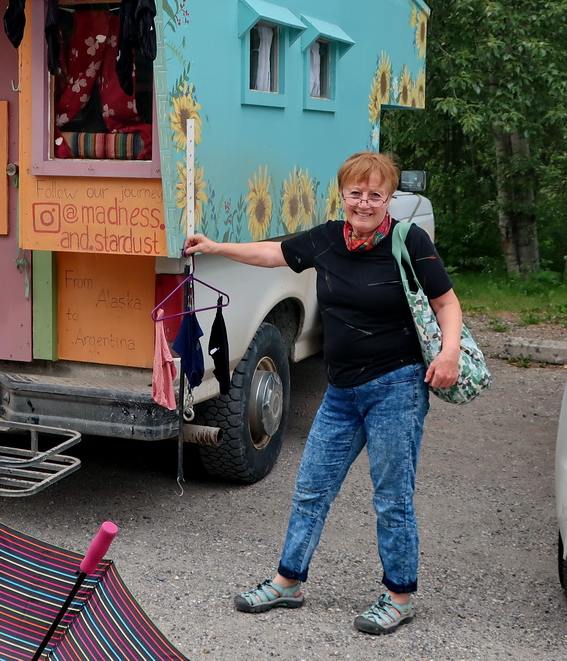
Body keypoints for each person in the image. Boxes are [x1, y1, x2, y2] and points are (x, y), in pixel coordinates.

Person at [183, 151, 461, 635]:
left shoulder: (407, 240)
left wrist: (450, 352)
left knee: (392, 497)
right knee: (311, 488)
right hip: (341, 392)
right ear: (344, 194)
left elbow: (445, 301)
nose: (364, 202)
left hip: (396, 387)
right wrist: (217, 246)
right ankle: (287, 582)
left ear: (389, 197)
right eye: (356, 192)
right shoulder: (329, 238)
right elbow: (273, 254)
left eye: (376, 193)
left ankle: (399, 595)